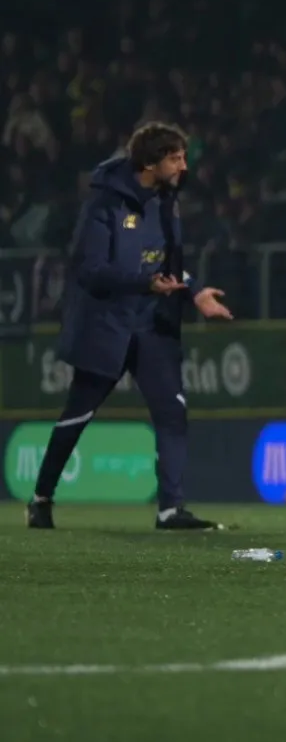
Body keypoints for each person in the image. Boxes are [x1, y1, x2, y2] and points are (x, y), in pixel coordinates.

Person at [25, 122, 234, 531]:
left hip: (152, 325)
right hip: (106, 324)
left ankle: (170, 509)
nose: (184, 166)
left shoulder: (166, 202)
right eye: (175, 158)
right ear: (149, 162)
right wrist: (143, 283)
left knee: (172, 413)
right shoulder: (105, 204)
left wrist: (192, 292)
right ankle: (41, 498)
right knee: (78, 415)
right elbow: (89, 269)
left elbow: (167, 267)